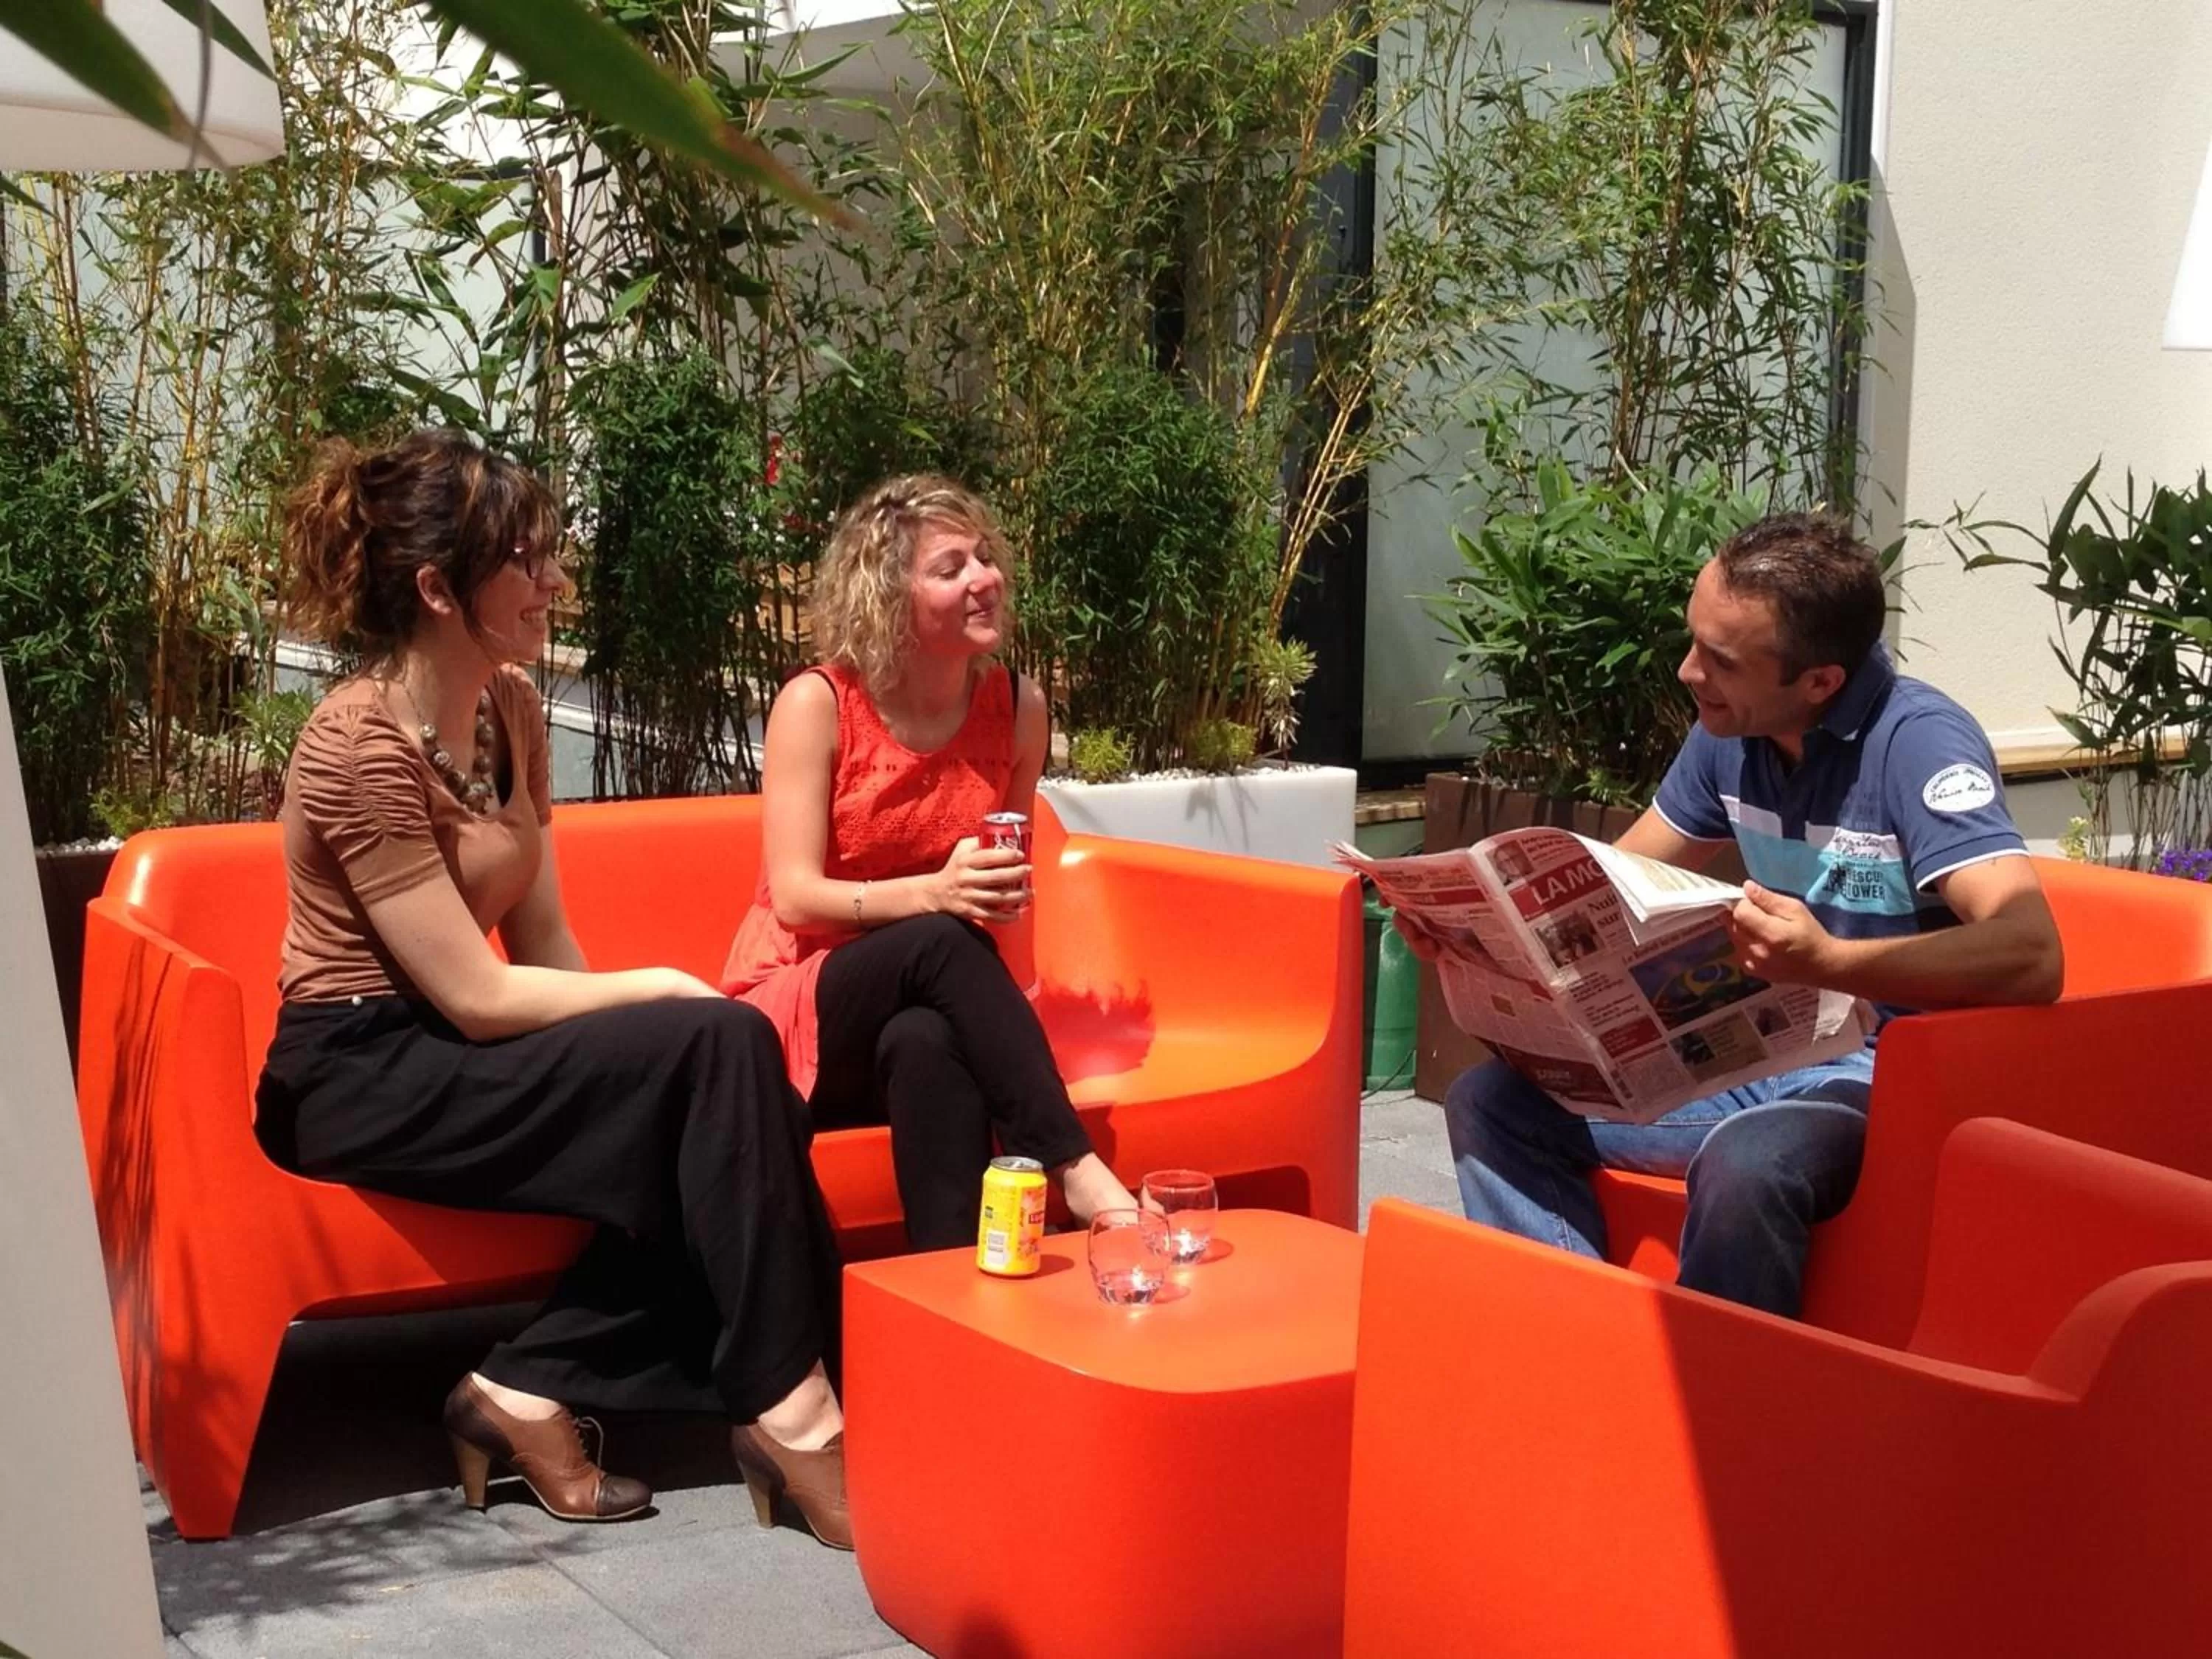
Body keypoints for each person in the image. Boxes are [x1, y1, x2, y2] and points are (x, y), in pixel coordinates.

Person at [253, 429, 852, 1548]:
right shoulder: (352, 746)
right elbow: (477, 993)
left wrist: (653, 1052)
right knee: (715, 1048)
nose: (556, 581)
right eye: (526, 560)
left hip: (456, 1041)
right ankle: (794, 1406)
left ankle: (526, 1390)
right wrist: (670, 1003)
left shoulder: (510, 711)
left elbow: (544, 943)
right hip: (357, 1067)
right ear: (438, 588)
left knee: (713, 1085)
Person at [1411, 513, 2065, 1318]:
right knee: (1493, 1101)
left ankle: (1723, 1411)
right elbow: (1612, 884)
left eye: (1720, 660)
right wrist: (1473, 934)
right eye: (1693, 642)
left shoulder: (1920, 746)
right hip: (1757, 1055)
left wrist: (1831, 962)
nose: (1689, 673)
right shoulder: (1733, 730)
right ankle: (1568, 1340)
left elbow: (2033, 953)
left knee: (1747, 1160)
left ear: (1821, 682)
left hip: (1886, 1077)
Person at [723, 474, 1135, 1248]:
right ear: (889, 598)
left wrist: (1004, 1024)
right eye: (951, 568)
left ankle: (941, 1298)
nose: (986, 579)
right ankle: (1072, 1162)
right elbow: (797, 899)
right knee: (941, 939)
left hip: (925, 1002)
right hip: (794, 1009)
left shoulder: (1017, 707)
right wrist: (937, 893)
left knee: (926, 1041)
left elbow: (1010, 897)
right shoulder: (819, 703)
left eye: (985, 558)